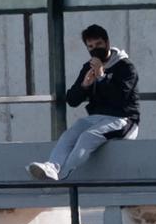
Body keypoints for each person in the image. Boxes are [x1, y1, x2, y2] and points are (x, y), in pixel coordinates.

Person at [27, 24, 140, 180]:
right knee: (70, 134)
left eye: (99, 44)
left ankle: (61, 177)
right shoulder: (89, 66)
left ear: (107, 43)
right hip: (96, 118)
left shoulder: (126, 67)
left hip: (123, 119)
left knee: (87, 136)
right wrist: (84, 85)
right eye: (90, 46)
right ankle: (52, 166)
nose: (95, 49)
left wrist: (101, 77)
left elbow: (120, 99)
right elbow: (72, 100)